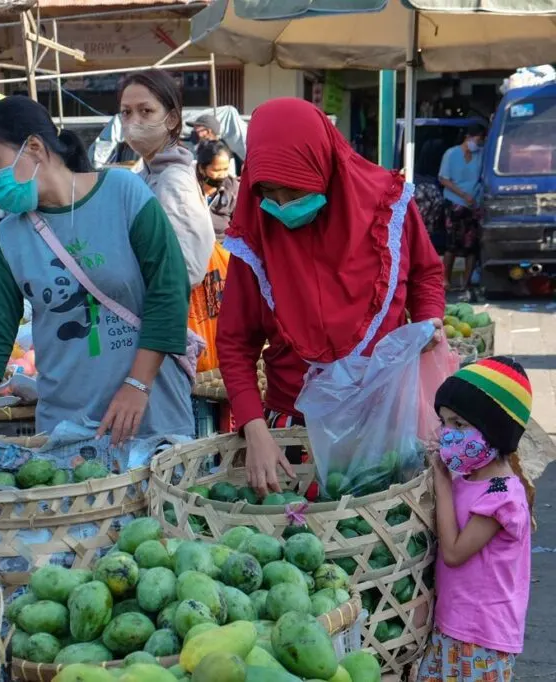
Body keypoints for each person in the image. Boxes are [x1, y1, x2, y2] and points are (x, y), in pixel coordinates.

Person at [0, 96, 193, 451]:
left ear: (34, 147)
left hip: (151, 409)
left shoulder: (125, 194)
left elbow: (168, 292)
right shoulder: (8, 239)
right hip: (66, 426)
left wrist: (137, 385)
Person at [217, 98, 446, 495]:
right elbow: (236, 342)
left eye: (295, 189)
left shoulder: (388, 209)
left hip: (386, 422)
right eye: (271, 191)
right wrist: (253, 428)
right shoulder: (257, 235)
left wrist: (429, 319)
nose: (284, 205)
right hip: (293, 433)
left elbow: (426, 272)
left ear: (325, 166)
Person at [418, 356, 533, 682]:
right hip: (452, 625)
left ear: (495, 429)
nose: (446, 434)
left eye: (459, 424)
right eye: (444, 423)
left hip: (481, 636)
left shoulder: (502, 496)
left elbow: (454, 552)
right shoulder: (467, 479)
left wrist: (441, 481)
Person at [117, 69, 214, 289]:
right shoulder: (146, 175)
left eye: (146, 111)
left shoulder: (173, 180)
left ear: (171, 120)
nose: (134, 121)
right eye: (126, 112)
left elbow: (186, 271)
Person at [438, 124, 487, 293]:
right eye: (479, 139)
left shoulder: (480, 155)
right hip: (454, 203)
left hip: (473, 205)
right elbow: (444, 179)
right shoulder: (451, 154)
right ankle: (445, 281)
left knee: (472, 246)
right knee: (451, 244)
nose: (479, 143)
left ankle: (466, 283)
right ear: (469, 137)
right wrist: (463, 195)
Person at [196, 140, 240, 239]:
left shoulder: (232, 188)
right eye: (216, 170)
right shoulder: (190, 188)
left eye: (225, 169)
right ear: (201, 168)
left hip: (222, 245)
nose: (222, 175)